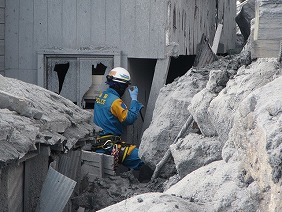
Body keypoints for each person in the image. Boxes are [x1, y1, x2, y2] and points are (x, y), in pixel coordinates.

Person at [93, 67, 144, 171]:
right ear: (120, 86)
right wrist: (134, 100)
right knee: (142, 158)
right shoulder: (115, 101)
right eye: (125, 87)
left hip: (99, 144)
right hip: (110, 146)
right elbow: (128, 119)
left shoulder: (101, 97)